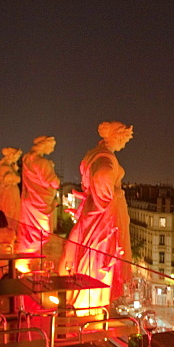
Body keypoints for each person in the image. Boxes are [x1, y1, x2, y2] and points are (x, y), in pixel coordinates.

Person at [60, 122, 134, 312]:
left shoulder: (93, 153)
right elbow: (103, 173)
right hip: (102, 215)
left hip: (94, 210)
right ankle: (91, 308)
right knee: (99, 258)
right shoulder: (105, 156)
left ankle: (88, 304)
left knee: (91, 256)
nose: (124, 145)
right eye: (124, 141)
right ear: (117, 137)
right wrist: (109, 198)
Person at [17, 136, 60, 253]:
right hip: (39, 201)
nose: (52, 150)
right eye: (51, 147)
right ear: (45, 145)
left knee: (29, 233)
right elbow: (52, 182)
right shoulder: (42, 162)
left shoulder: (27, 160)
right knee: (41, 234)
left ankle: (24, 258)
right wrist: (54, 176)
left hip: (30, 199)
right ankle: (28, 257)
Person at [0, 147, 22, 228]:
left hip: (9, 192)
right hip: (8, 194)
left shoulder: (5, 166)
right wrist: (15, 172)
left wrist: (15, 170)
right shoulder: (5, 167)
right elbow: (16, 179)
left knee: (11, 212)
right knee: (9, 212)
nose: (17, 158)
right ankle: (8, 230)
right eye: (17, 156)